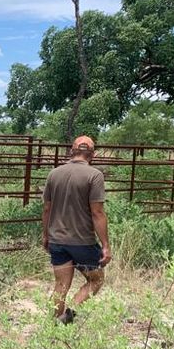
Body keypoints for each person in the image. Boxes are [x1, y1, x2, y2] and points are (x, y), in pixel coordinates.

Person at [41, 135, 112, 324]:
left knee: (61, 285)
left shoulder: (54, 174)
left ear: (71, 151)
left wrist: (46, 235)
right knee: (96, 280)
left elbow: (47, 209)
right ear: (93, 154)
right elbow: (97, 212)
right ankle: (68, 315)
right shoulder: (94, 175)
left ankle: (52, 325)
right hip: (82, 241)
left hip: (57, 240)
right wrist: (105, 245)